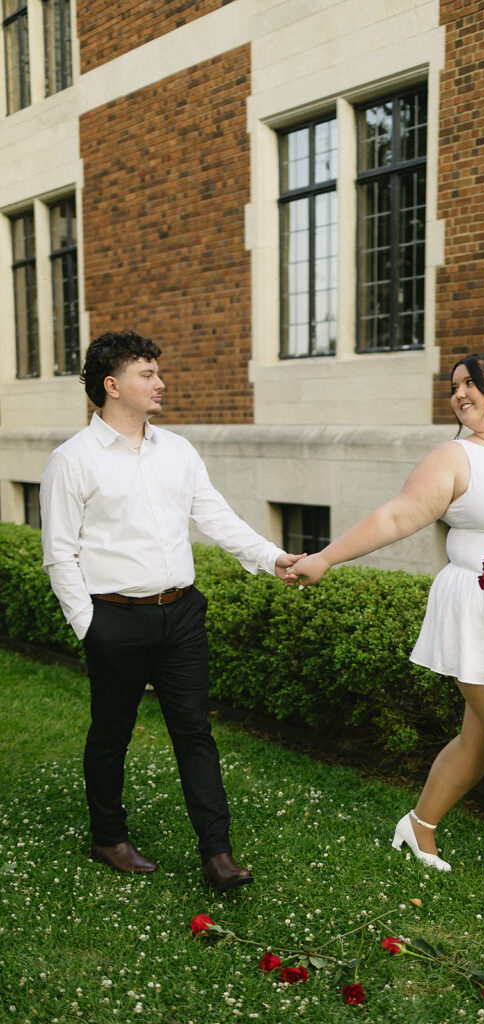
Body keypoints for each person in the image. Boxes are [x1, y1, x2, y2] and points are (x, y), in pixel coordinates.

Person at [287, 348, 484, 909]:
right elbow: (395, 516)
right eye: (452, 387)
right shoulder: (454, 457)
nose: (458, 394)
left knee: (479, 741)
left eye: (469, 384)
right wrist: (325, 558)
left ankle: (419, 826)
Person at [40, 330, 304, 890]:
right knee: (112, 732)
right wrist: (92, 628)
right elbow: (59, 555)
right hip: (115, 619)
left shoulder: (178, 451)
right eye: (147, 374)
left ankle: (218, 854)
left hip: (182, 615)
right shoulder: (72, 461)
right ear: (112, 386)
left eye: (158, 372)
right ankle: (108, 838)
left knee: (194, 732)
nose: (161, 383)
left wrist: (273, 557)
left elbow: (216, 517)